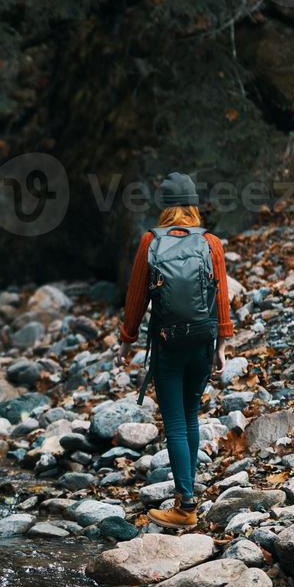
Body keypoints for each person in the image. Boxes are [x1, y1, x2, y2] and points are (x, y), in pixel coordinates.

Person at [119, 173, 233, 530]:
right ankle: (189, 494)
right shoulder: (211, 242)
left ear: (165, 207)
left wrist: (127, 339)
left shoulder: (151, 241)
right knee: (190, 416)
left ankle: (186, 506)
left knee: (175, 425)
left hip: (168, 344)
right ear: (193, 205)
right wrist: (223, 345)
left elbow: (136, 298)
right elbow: (222, 299)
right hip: (202, 340)